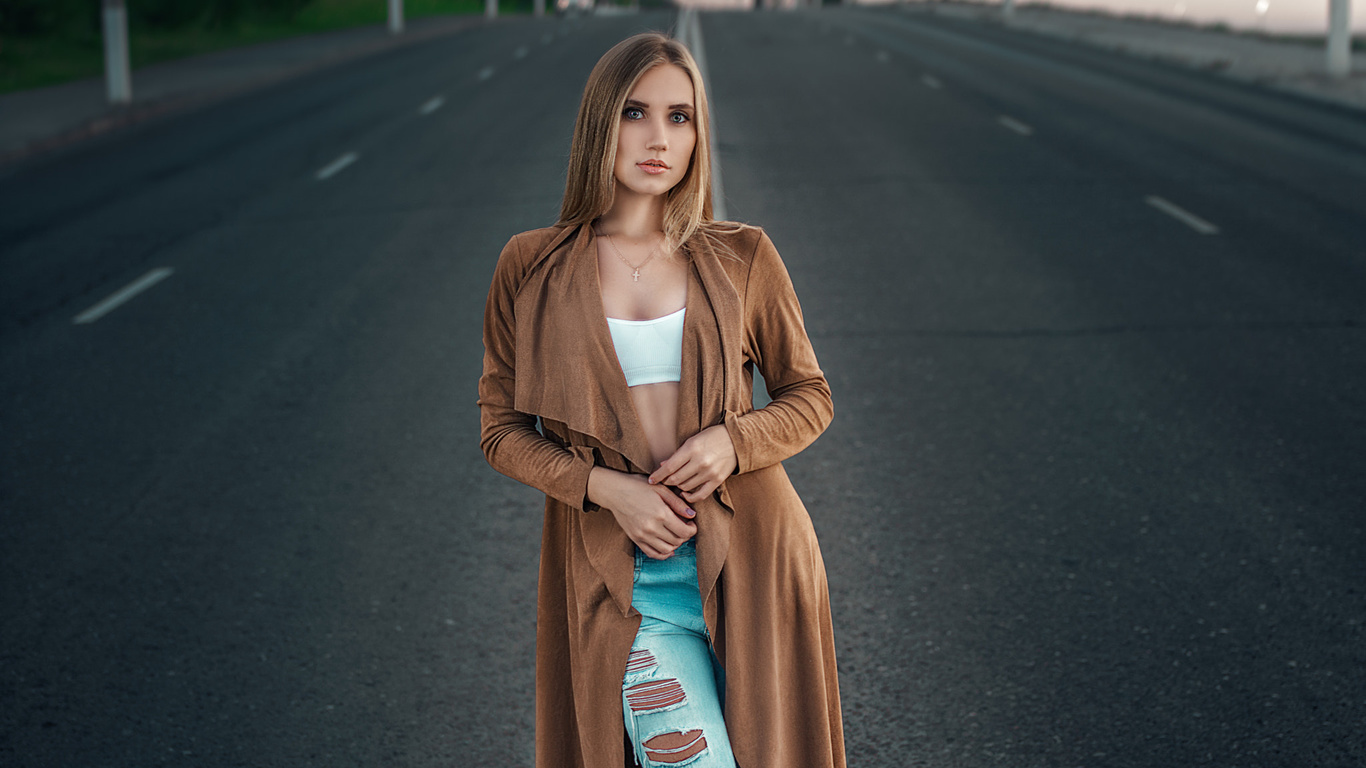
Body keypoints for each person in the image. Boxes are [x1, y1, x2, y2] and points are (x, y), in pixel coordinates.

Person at [478, 30, 846, 768]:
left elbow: (809, 395)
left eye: (680, 117)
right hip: (627, 587)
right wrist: (607, 489)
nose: (659, 137)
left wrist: (732, 443)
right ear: (599, 124)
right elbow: (501, 429)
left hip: (756, 559)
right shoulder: (530, 265)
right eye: (636, 113)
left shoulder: (743, 255)